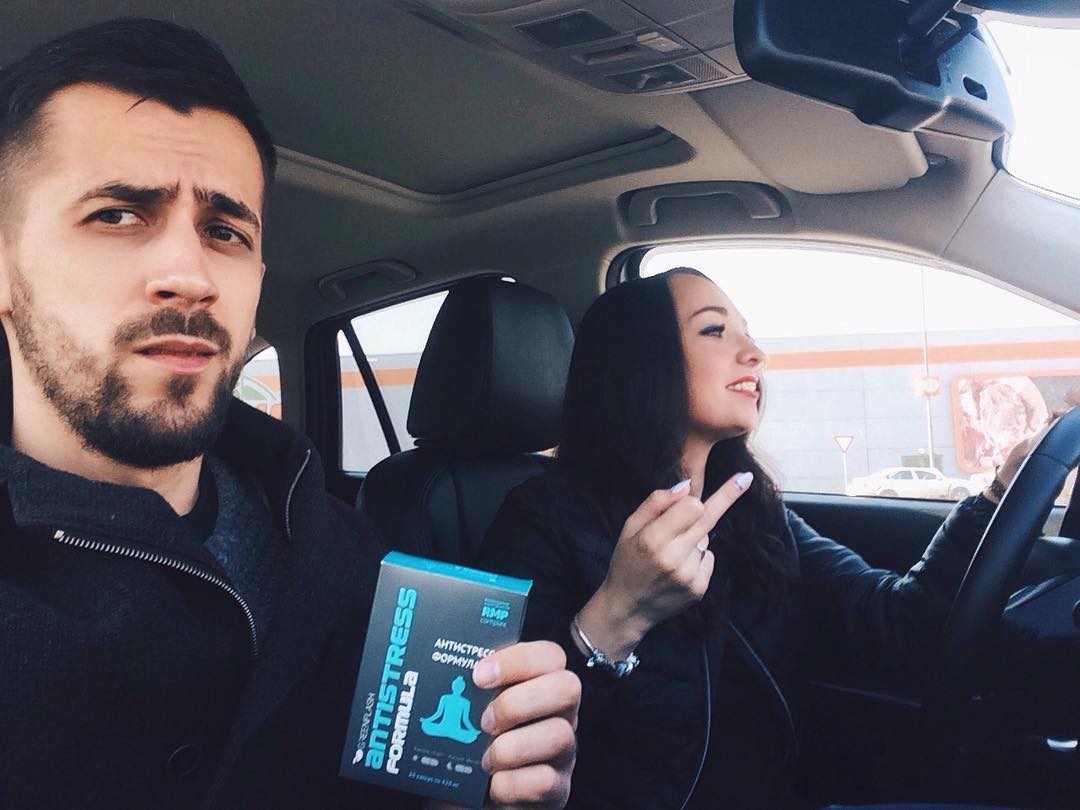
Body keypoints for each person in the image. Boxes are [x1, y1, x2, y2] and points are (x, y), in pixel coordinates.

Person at [0, 19, 578, 810]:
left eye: (224, 231)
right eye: (117, 215)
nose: (190, 274)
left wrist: (494, 785)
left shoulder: (341, 547)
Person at [480, 268, 1034, 809]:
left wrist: (997, 493)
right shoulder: (545, 518)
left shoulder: (756, 514)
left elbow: (897, 623)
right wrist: (619, 613)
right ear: (639, 361)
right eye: (715, 330)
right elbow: (502, 750)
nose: (754, 353)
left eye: (747, 332)